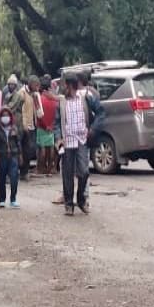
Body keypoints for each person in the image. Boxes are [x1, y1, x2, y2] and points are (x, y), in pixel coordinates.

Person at [55, 73, 104, 217]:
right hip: (68, 142)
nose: (63, 87)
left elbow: (101, 112)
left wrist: (93, 129)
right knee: (67, 174)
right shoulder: (62, 102)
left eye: (65, 84)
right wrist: (59, 138)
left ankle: (81, 200)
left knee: (84, 172)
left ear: (70, 86)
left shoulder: (86, 98)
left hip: (82, 140)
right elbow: (57, 123)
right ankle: (69, 204)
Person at [0, 107, 22, 208]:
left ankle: (13, 199)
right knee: (2, 177)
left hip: (13, 155)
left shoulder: (14, 128)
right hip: (2, 156)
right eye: (3, 115)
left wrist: (20, 155)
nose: (5, 117)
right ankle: (2, 200)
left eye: (7, 115)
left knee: (14, 178)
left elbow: (18, 143)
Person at [37, 76, 59, 176]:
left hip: (42, 126)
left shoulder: (40, 99)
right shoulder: (55, 100)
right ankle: (50, 167)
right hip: (51, 126)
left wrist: (45, 125)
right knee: (50, 147)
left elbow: (39, 115)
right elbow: (56, 115)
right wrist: (51, 125)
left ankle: (42, 168)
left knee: (42, 148)